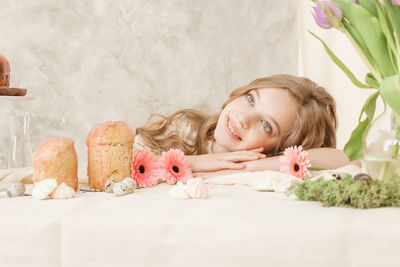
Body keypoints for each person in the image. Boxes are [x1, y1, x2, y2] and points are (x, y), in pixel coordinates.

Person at [135, 74, 358, 178]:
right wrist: (197, 162)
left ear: (279, 149)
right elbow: (116, 165)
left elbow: (352, 160)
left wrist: (249, 167)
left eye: (266, 125)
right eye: (251, 99)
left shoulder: (266, 170)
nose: (243, 118)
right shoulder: (185, 130)